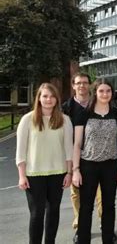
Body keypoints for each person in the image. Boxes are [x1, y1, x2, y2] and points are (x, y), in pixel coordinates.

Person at [16, 83, 73, 244]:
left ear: (57, 99)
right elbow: (20, 151)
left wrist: (69, 172)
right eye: (45, 96)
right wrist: (21, 176)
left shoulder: (65, 120)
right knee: (37, 213)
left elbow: (69, 149)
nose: (49, 99)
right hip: (34, 174)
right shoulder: (27, 119)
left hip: (58, 173)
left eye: (52, 96)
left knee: (53, 211)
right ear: (39, 98)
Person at [72, 78, 117, 244]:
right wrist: (75, 170)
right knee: (86, 207)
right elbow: (77, 144)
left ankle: (108, 239)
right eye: (101, 91)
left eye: (108, 91)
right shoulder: (83, 115)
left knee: (109, 206)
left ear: (112, 93)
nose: (105, 94)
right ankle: (83, 240)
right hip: (88, 166)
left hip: (110, 165)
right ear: (95, 92)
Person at [62, 73, 103, 243]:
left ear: (89, 85)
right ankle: (80, 224)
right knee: (76, 192)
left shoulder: (99, 103)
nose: (82, 86)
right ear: (73, 86)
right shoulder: (66, 108)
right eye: (78, 83)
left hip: (98, 155)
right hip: (74, 156)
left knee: (101, 194)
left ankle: (104, 223)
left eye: (85, 83)